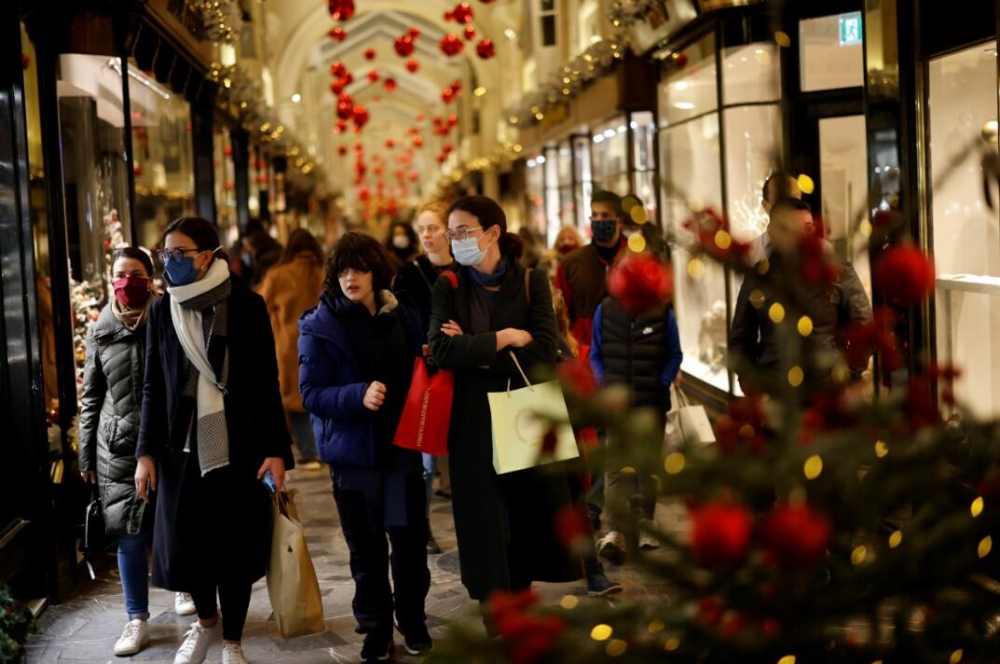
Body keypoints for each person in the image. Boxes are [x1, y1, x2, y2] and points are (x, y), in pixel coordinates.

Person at [135, 217, 293, 664]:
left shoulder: (246, 304)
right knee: (190, 544)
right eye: (166, 254)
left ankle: (233, 641)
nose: (171, 262)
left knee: (235, 545)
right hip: (179, 449)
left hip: (238, 446)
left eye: (180, 254)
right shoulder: (163, 310)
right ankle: (206, 624)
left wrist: (277, 451)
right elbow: (151, 386)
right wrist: (145, 453)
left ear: (207, 256)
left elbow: (267, 382)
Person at [429, 196, 582, 609]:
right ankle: (491, 603)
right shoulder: (449, 285)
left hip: (527, 404)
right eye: (452, 233)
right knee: (481, 512)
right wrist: (504, 338)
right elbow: (441, 349)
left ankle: (521, 594)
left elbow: (545, 348)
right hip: (473, 415)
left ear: (493, 233)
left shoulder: (532, 282)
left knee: (527, 507)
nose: (455, 240)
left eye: (464, 232)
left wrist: (474, 350)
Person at [298, 232, 432, 662]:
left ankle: (411, 619)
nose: (350, 278)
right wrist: (356, 395)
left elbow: (419, 362)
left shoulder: (402, 313)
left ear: (377, 272)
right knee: (367, 548)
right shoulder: (319, 324)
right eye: (342, 271)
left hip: (401, 449)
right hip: (353, 456)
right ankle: (375, 628)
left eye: (359, 269)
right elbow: (311, 393)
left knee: (409, 543)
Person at [78, 248, 176, 657]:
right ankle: (137, 619)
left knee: (174, 524)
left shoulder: (169, 318)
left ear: (150, 278)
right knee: (129, 536)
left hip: (168, 441)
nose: (128, 281)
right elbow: (91, 396)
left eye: (136, 274)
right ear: (110, 278)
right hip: (117, 446)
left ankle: (188, 589)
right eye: (120, 274)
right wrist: (85, 455)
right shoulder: (99, 330)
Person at [589, 252, 683, 563]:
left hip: (651, 402)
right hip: (616, 405)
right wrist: (605, 384)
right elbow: (596, 354)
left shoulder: (662, 311)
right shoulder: (605, 310)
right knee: (616, 467)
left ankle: (645, 522)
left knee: (647, 466)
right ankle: (615, 529)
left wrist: (662, 380)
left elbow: (675, 353)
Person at [730, 199, 873, 397]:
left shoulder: (837, 272)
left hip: (828, 392)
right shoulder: (759, 278)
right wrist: (750, 384)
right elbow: (740, 339)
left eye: (808, 228)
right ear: (774, 234)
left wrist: (850, 377)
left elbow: (865, 328)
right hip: (776, 391)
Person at [393, 202, 456, 555]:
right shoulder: (410, 272)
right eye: (422, 229)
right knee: (425, 462)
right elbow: (400, 318)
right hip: (427, 372)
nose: (426, 235)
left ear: (449, 229)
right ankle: (424, 525)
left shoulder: (465, 267)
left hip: (461, 367)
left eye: (433, 227)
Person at [552, 288, 623, 597]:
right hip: (524, 415)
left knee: (574, 496)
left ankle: (593, 571)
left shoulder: (555, 340)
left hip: (559, 418)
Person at [257, 229, 326, 469]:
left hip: (290, 345)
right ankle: (322, 446)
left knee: (296, 399)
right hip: (324, 342)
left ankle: (309, 451)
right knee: (322, 395)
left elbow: (260, 305)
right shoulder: (325, 272)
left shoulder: (278, 274)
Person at [555, 190, 628, 347]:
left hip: (630, 351)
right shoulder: (571, 264)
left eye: (605, 215)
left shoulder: (637, 259)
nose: (599, 220)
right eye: (594, 215)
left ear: (619, 221)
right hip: (586, 354)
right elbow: (561, 314)